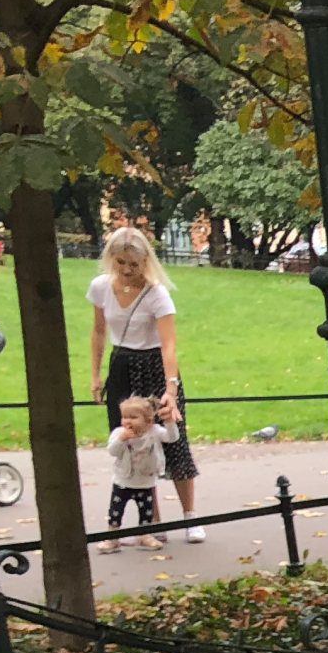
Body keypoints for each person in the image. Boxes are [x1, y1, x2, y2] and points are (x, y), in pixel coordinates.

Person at [86, 226, 203, 541]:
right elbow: (98, 332)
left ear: (145, 262)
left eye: (134, 264)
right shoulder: (100, 288)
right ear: (111, 259)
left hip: (153, 367)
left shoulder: (156, 294)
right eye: (121, 262)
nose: (126, 270)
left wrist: (171, 389)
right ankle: (154, 521)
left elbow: (169, 345)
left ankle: (190, 517)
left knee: (172, 441)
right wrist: (96, 376)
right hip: (121, 367)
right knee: (131, 443)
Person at [104, 394, 180, 550]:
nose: (127, 421)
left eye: (133, 417)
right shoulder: (119, 433)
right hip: (123, 481)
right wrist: (122, 440)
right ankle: (112, 537)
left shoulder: (155, 432)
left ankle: (145, 535)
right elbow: (112, 451)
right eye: (125, 417)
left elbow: (172, 438)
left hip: (145, 481)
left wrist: (169, 422)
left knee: (146, 511)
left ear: (148, 420)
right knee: (115, 512)